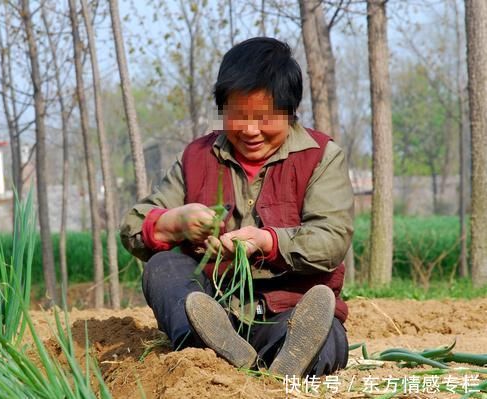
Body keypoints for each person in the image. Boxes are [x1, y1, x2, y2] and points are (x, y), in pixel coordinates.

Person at [119, 37, 353, 378]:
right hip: (214, 310)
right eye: (238, 116)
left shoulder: (320, 156)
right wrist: (175, 223)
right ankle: (207, 346)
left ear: (290, 112)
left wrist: (266, 242)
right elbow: (133, 227)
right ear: (222, 108)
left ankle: (286, 362)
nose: (250, 130)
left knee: (323, 337)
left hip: (287, 311)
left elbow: (330, 239)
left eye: (264, 118)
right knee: (164, 266)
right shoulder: (196, 157)